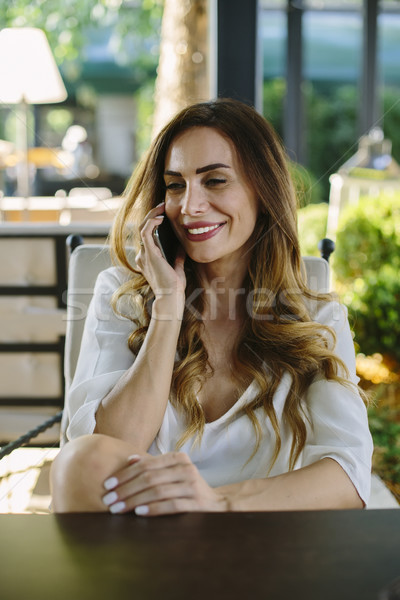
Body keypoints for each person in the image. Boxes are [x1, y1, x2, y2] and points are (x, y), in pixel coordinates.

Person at [50, 98, 373, 515]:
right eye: (175, 184)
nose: (190, 206)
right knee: (79, 460)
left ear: (263, 190)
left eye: (215, 180)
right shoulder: (123, 295)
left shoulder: (319, 317)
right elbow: (107, 448)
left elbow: (348, 474)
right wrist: (167, 307)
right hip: (146, 545)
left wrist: (216, 502)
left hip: (262, 538)